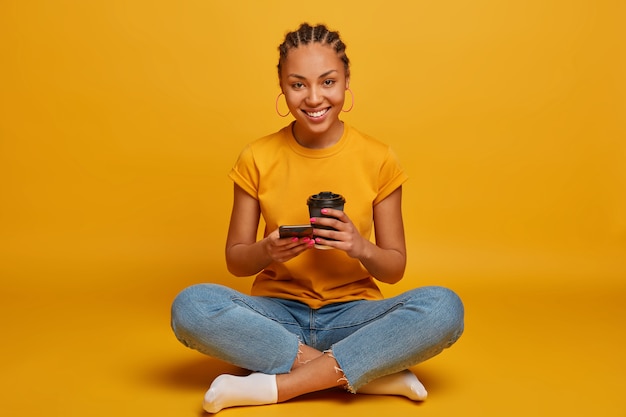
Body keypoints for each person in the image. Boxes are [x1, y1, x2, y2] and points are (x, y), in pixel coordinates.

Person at [171, 23, 464, 414]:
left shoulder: (378, 158)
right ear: (282, 87)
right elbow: (236, 260)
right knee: (190, 306)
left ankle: (279, 386)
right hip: (277, 318)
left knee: (444, 308)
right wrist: (267, 250)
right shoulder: (257, 157)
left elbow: (395, 268)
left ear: (346, 83)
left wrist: (359, 246)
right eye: (298, 85)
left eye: (328, 82)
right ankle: (366, 373)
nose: (314, 98)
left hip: (354, 315)